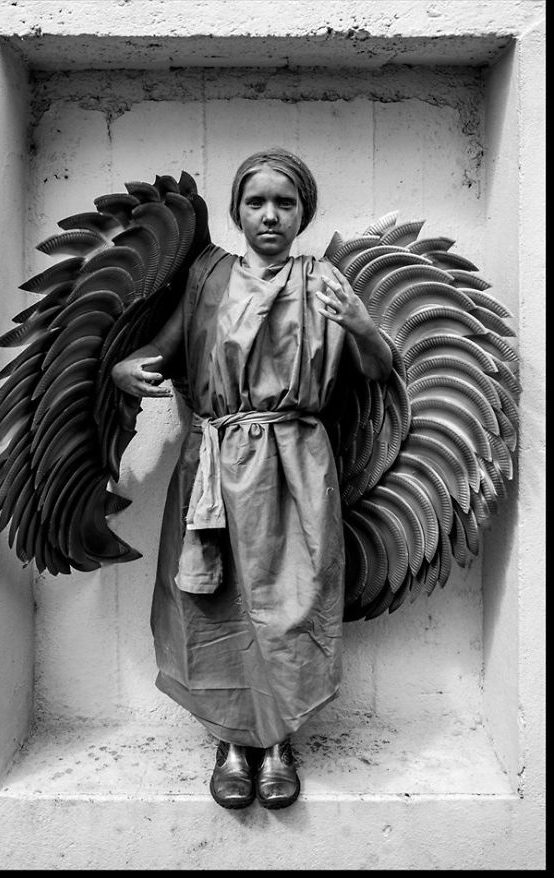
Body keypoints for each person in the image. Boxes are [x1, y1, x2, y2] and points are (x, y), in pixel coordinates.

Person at [111, 148, 392, 810]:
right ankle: (232, 744)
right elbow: (163, 349)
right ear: (236, 210)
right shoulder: (208, 276)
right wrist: (129, 369)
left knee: (290, 605)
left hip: (296, 468)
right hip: (212, 464)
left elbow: (378, 369)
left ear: (304, 212)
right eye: (255, 202)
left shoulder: (321, 279)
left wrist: (356, 321)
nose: (269, 215)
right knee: (213, 604)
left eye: (284, 203)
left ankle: (280, 738)